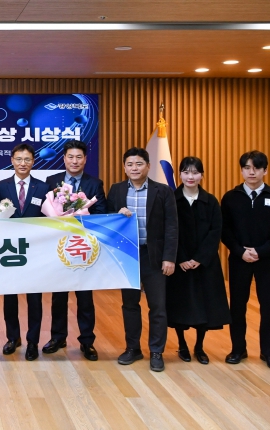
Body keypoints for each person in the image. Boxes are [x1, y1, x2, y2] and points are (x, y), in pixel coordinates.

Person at [107, 147, 178, 372]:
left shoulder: (163, 191)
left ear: (148, 166)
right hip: (127, 255)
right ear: (124, 167)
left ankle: (156, 351)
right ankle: (133, 348)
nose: (134, 168)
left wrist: (169, 258)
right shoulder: (116, 189)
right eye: (130, 164)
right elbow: (107, 221)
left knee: (158, 306)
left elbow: (172, 226)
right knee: (130, 304)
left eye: (139, 164)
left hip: (153, 256)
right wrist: (117, 214)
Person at [221, 151, 270, 371]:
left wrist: (260, 251)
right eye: (247, 168)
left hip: (267, 260)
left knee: (268, 306)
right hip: (239, 259)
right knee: (237, 306)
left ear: (265, 170)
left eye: (256, 168)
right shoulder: (231, 198)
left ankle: (268, 353)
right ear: (241, 170)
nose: (251, 172)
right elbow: (224, 230)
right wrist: (240, 251)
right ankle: (238, 349)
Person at [43, 140, 106, 361]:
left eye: (79, 157)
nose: (74, 161)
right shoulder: (52, 181)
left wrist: (81, 219)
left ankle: (87, 341)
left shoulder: (94, 184)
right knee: (58, 297)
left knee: (85, 298)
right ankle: (58, 337)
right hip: (59, 247)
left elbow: (101, 212)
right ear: (64, 158)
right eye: (70, 157)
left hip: (83, 248)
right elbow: (44, 213)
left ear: (85, 159)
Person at [166, 157, 230, 365]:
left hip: (205, 263)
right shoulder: (171, 200)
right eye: (186, 172)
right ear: (180, 174)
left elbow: (215, 232)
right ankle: (182, 344)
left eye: (195, 172)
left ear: (202, 175)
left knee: (205, 305)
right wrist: (181, 258)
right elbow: (169, 230)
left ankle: (199, 346)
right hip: (179, 263)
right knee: (179, 305)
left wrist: (200, 258)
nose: (190, 176)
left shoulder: (210, 201)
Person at [0, 143, 50, 361]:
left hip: (35, 252)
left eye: (27, 159)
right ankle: (13, 338)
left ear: (33, 162)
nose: (23, 163)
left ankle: (33, 341)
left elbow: (49, 219)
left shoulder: (43, 187)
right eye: (19, 159)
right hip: (9, 251)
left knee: (34, 300)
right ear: (12, 160)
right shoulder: (1, 186)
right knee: (10, 298)